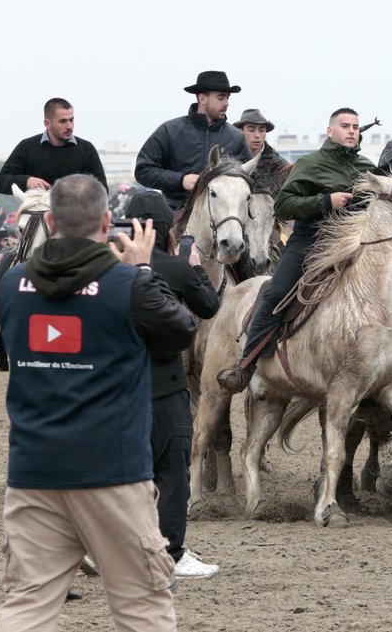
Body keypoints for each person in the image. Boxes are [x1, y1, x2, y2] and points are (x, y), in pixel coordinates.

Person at [0, 174, 196, 631]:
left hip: (33, 470)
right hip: (113, 473)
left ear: (49, 220)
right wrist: (143, 269)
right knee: (142, 604)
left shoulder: (10, 284)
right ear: (108, 222)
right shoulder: (130, 286)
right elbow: (181, 330)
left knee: (28, 603)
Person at [218, 108, 377, 393]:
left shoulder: (367, 168)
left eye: (355, 126)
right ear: (330, 131)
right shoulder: (310, 164)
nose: (352, 130)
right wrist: (326, 200)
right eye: (345, 126)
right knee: (277, 290)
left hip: (354, 243)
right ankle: (247, 363)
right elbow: (284, 205)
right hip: (310, 241)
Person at [125, 190, 222, 579]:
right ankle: (172, 552)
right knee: (171, 473)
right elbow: (210, 307)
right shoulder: (174, 267)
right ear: (168, 228)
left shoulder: (102, 265)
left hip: (111, 387)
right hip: (162, 385)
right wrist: (195, 266)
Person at [135, 71, 254, 210]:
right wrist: (180, 180)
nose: (226, 103)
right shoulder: (169, 131)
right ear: (202, 99)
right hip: (177, 213)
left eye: (228, 98)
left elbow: (252, 178)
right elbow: (143, 171)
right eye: (221, 98)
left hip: (223, 218)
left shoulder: (236, 137)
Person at [0, 98, 108, 194]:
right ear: (47, 123)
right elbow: (1, 182)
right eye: (62, 121)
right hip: (37, 215)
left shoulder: (86, 149)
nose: (69, 126)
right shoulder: (27, 147)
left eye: (71, 120)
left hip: (75, 217)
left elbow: (102, 190)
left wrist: (81, 190)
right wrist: (27, 181)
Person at [234, 108, 290, 196]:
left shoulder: (279, 166)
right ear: (241, 131)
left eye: (262, 130)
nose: (257, 135)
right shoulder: (232, 161)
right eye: (251, 130)